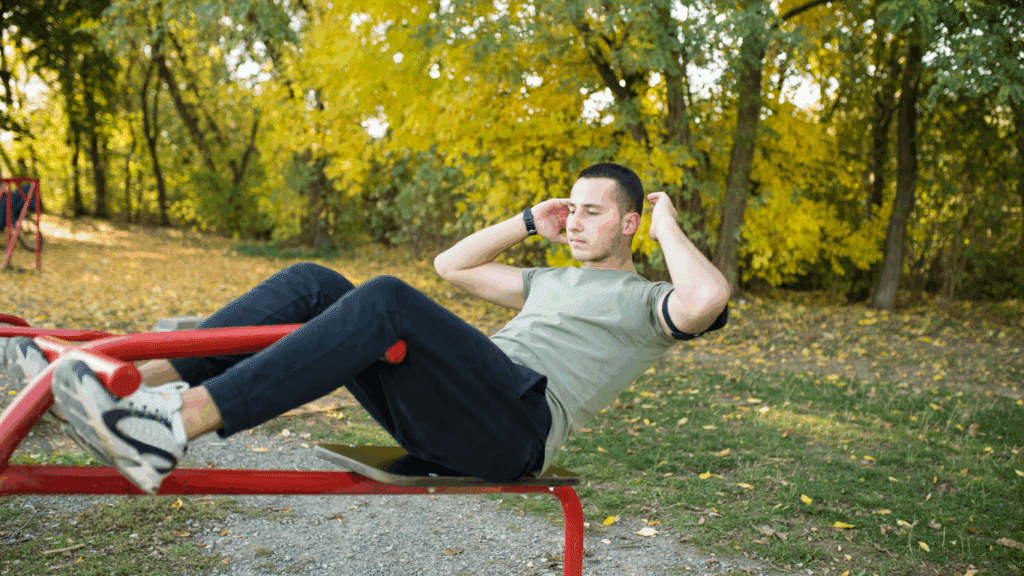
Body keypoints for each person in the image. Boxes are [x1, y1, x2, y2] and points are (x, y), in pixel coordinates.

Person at [6, 163, 730, 495]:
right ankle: (126, 383)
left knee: (386, 299)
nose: (574, 222)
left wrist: (665, 220)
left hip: (514, 426)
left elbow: (705, 300)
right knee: (313, 282)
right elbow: (451, 266)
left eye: (592, 212)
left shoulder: (648, 302)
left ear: (628, 224)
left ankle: (170, 427)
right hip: (457, 405)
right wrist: (523, 222)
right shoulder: (548, 279)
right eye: (571, 209)